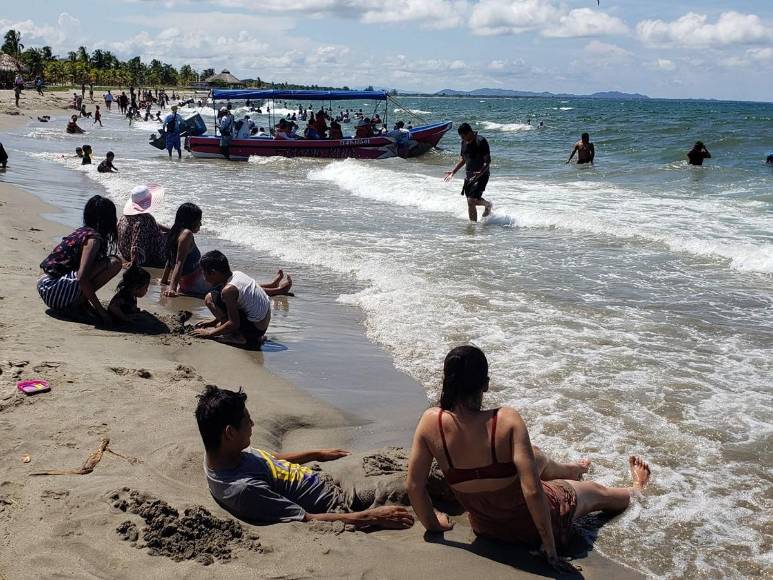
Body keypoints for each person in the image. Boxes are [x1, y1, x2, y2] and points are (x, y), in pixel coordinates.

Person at [406, 345, 652, 574]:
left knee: (532, 455)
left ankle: (571, 469)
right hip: (535, 526)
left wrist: (433, 525)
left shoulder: (431, 423)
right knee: (598, 492)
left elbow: (415, 486)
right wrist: (550, 548)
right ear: (486, 384)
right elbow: (533, 492)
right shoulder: (506, 419)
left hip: (486, 527)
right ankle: (636, 489)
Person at [196, 384, 415, 529]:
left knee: (397, 458)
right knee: (408, 484)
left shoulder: (220, 454)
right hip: (339, 502)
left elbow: (269, 459)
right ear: (230, 432)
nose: (253, 425)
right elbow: (306, 518)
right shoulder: (244, 489)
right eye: (247, 421)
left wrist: (316, 454)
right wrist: (371, 517)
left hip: (322, 477)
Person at [37, 195, 122, 325]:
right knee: (114, 263)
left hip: (47, 285)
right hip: (53, 289)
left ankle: (80, 303)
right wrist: (101, 312)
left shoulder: (83, 232)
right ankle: (75, 305)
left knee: (104, 263)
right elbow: (82, 277)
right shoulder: (93, 240)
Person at [192, 251, 275, 346]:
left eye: (204, 273)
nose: (204, 277)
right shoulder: (236, 274)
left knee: (210, 299)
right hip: (262, 322)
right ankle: (232, 329)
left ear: (213, 273)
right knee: (211, 297)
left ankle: (240, 337)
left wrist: (209, 333)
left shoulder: (229, 290)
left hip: (256, 329)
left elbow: (234, 323)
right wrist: (213, 322)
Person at [444, 123, 493, 222]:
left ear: (470, 132)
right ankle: (474, 225)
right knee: (470, 202)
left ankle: (486, 207)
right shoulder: (463, 143)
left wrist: (480, 172)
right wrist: (453, 172)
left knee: (471, 200)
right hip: (469, 176)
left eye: (464, 136)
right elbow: (464, 160)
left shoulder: (481, 141)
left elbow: (487, 161)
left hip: (482, 175)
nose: (463, 139)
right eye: (461, 137)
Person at [161, 202, 209, 297]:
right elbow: (179, 262)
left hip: (187, 283)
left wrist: (164, 280)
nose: (201, 224)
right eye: (199, 220)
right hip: (197, 285)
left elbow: (170, 259)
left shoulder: (175, 232)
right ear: (191, 221)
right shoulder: (187, 234)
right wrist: (172, 288)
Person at [117, 184, 169, 267]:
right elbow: (137, 241)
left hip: (125, 252)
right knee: (175, 239)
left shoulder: (124, 217)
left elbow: (154, 225)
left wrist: (170, 230)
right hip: (148, 258)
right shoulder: (144, 220)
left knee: (169, 234)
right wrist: (134, 263)